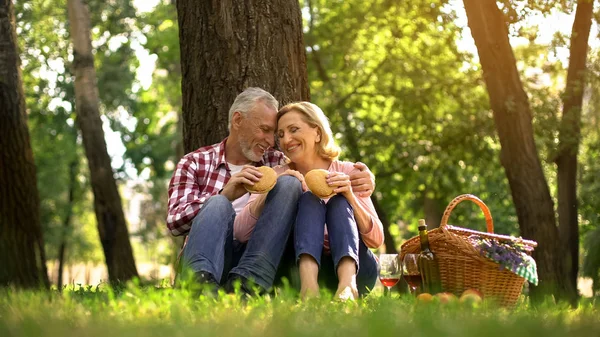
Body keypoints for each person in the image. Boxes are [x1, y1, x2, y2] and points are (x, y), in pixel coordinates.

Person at [167, 88, 375, 296]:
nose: (272, 141)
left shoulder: (277, 162)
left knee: (289, 185)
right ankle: (199, 287)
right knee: (217, 204)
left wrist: (364, 178)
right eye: (266, 130)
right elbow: (175, 222)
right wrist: (226, 194)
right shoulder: (195, 162)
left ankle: (251, 285)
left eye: (274, 134)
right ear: (238, 120)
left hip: (251, 260)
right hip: (208, 256)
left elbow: (314, 162)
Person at [235, 101, 383, 300]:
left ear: (318, 133)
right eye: (280, 135)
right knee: (309, 200)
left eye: (293, 130)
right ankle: (308, 289)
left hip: (357, 270)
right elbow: (241, 233)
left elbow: (376, 239)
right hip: (294, 271)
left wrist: (349, 196)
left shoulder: (349, 172)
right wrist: (273, 191)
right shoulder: (278, 175)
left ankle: (348, 288)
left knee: (339, 202)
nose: (286, 140)